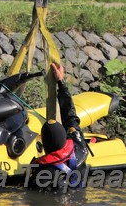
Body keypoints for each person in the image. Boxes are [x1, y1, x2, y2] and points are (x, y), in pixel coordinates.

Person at [28, 62, 88, 191]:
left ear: (43, 144)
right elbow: (71, 117)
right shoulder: (80, 147)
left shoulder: (40, 174)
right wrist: (61, 82)